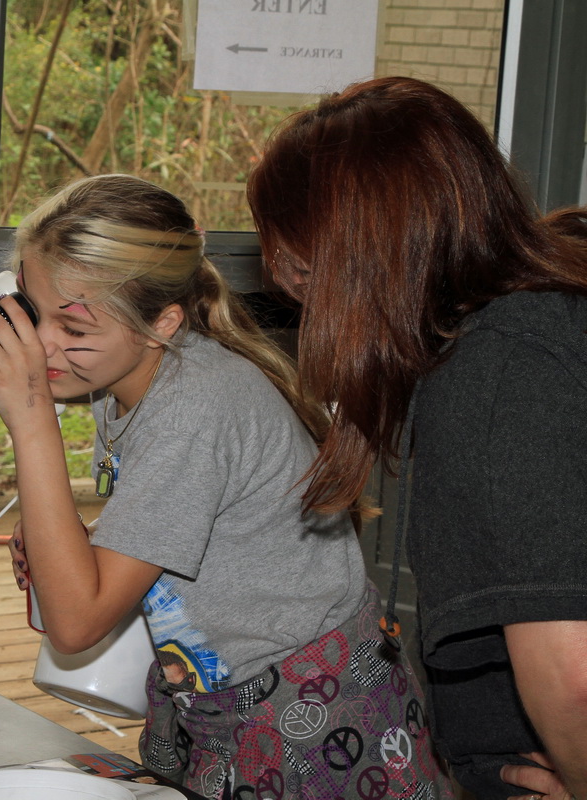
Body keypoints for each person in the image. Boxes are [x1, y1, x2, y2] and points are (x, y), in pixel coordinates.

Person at [0, 173, 452, 798]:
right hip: (219, 694)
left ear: (162, 322)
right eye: (34, 315)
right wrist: (91, 543)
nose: (42, 347)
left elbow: (77, 623)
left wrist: (30, 415)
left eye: (77, 331)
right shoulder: (137, 380)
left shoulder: (195, 405)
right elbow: (199, 515)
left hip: (308, 715)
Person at [246, 76, 587, 800]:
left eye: (303, 269)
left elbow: (576, 677)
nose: (297, 295)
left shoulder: (495, 375)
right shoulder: (553, 307)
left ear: (358, 260)